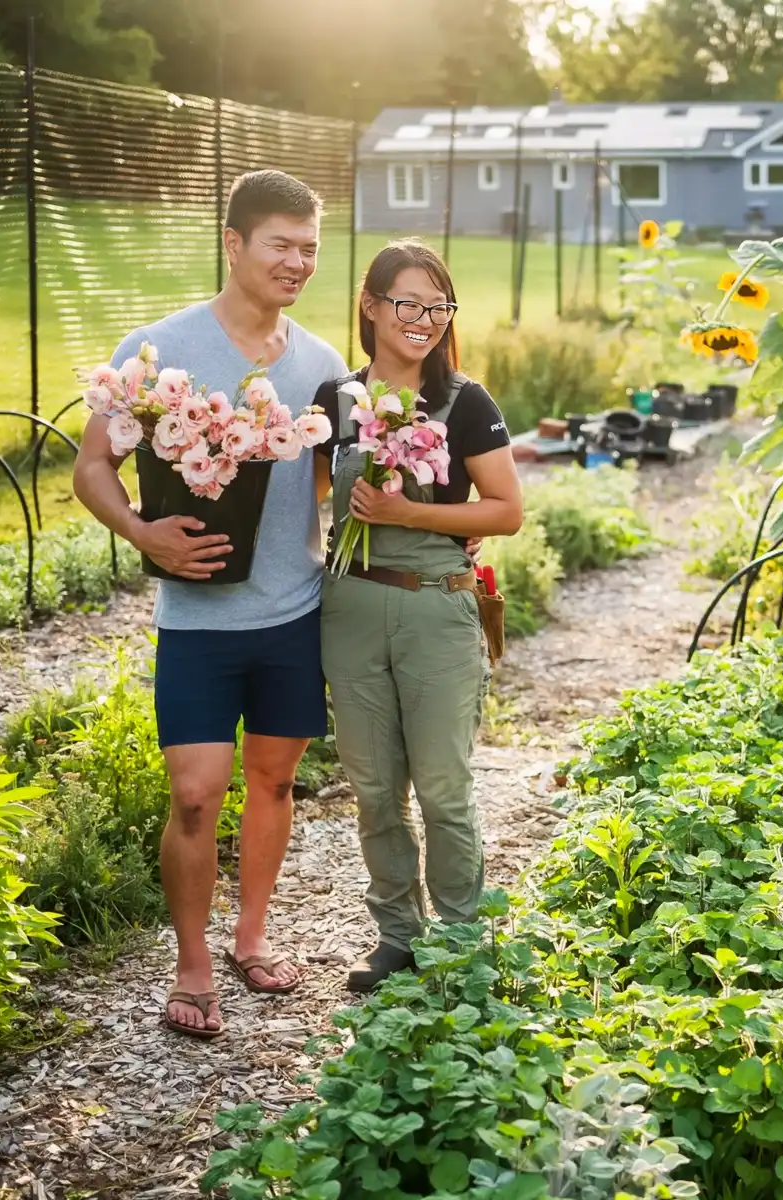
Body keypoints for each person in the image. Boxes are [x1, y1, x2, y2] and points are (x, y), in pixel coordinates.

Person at [74, 170, 348, 1038]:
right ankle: (192, 964)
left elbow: (336, 485)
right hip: (196, 622)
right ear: (233, 244)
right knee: (195, 794)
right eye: (281, 245)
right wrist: (141, 534)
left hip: (292, 613)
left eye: (310, 248)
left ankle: (250, 937)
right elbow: (91, 469)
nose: (298, 262)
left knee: (273, 780)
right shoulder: (157, 350)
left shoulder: (321, 364)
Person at [313, 239, 521, 993]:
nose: (424, 319)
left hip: (435, 609)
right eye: (408, 302)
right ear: (370, 306)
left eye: (438, 306)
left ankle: (462, 941)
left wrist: (409, 512)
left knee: (442, 789)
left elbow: (506, 511)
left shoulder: (466, 402)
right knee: (374, 790)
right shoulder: (335, 398)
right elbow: (307, 506)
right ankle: (398, 936)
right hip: (351, 609)